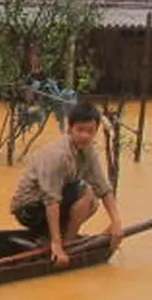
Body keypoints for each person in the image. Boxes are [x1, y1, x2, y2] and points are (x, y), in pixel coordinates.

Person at [9, 101, 123, 268]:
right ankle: (66, 243)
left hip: (47, 204)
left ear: (96, 131)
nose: (85, 135)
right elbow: (51, 200)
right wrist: (57, 245)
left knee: (93, 202)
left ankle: (63, 238)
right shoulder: (58, 155)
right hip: (28, 210)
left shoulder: (88, 151)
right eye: (80, 130)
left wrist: (117, 223)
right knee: (86, 194)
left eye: (90, 131)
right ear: (70, 129)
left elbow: (103, 188)